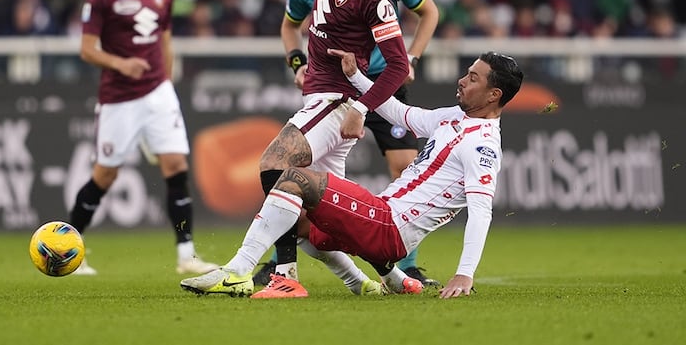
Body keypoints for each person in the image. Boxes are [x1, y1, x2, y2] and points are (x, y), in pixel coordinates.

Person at [180, 48, 523, 297]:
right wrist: (357, 77)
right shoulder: (454, 117)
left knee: (293, 178)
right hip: (381, 214)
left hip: (389, 228)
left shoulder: (483, 147)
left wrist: (464, 274)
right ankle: (371, 281)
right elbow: (402, 115)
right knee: (297, 222)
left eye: (473, 78)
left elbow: (481, 211)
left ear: (494, 95)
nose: (462, 80)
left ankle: (238, 272)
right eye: (467, 72)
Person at [245, 0, 411, 298]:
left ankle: (284, 277)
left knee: (275, 167)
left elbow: (397, 66)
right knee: (327, 217)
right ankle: (387, 278)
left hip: (336, 100)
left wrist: (360, 108)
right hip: (325, 95)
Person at [68, 0, 217, 276]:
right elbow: (87, 50)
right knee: (104, 176)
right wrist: (121, 63)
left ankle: (187, 255)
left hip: (158, 94)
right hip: (119, 99)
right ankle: (71, 252)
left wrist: (165, 81)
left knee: (176, 167)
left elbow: (165, 40)